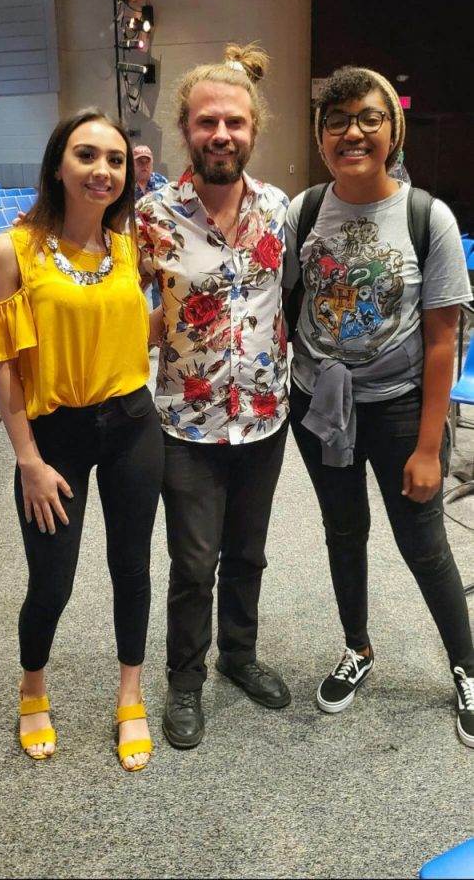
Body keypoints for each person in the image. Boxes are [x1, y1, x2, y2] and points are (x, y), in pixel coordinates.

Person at [284, 65, 474, 747]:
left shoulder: (428, 218)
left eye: (368, 117)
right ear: (320, 134)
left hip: (399, 409)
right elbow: (286, 307)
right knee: (343, 532)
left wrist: (429, 448)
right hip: (322, 404)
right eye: (336, 121)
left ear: (393, 129)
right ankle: (358, 648)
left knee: (423, 542)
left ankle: (468, 665)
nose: (352, 132)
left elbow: (443, 341)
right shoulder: (303, 211)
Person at [0, 109, 164, 771]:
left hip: (131, 425)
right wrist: (27, 459)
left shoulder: (128, 248)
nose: (103, 171)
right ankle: (32, 687)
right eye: (88, 156)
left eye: (115, 161)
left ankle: (130, 694)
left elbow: (128, 328)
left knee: (132, 569)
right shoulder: (13, 250)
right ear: (58, 165)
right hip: (53, 436)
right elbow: (2, 365)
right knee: (51, 583)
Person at [136, 43, 291, 749]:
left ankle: (239, 657)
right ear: (186, 129)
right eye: (206, 123)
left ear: (253, 129)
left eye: (233, 122)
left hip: (264, 417)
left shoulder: (280, 209)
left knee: (249, 554)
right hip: (184, 422)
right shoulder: (153, 215)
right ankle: (187, 680)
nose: (220, 134)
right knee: (194, 563)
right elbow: (123, 305)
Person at [133, 145, 167, 311]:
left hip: (158, 243)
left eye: (147, 162)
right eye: (140, 162)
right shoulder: (124, 186)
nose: (144, 166)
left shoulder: (162, 183)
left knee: (160, 287)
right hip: (133, 243)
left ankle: (158, 327)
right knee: (134, 286)